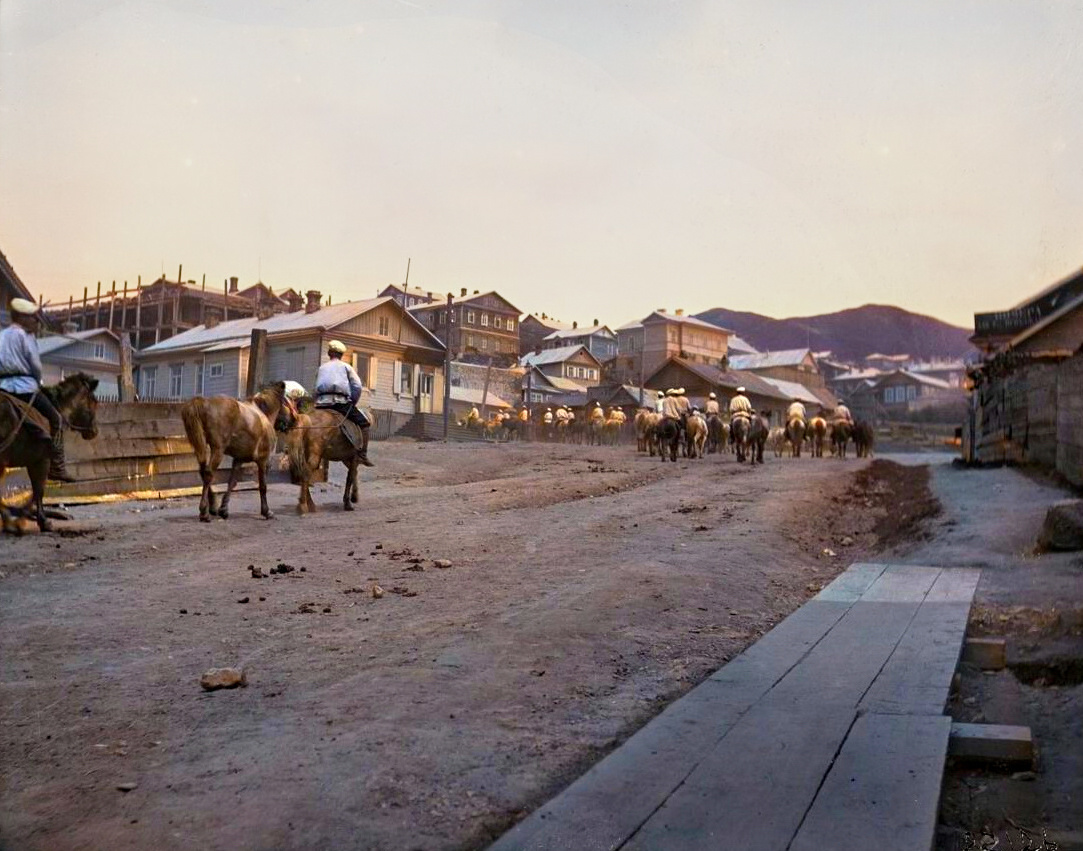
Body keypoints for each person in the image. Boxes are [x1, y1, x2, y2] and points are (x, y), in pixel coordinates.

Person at [0, 298, 75, 481]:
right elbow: (35, 365)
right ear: (21, 318)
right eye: (32, 318)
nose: (35, 321)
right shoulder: (27, 337)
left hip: (3, 388)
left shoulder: (2, 335)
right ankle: (57, 467)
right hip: (25, 388)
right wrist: (37, 381)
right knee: (56, 419)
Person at [314, 340, 374, 467]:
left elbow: (315, 387)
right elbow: (357, 386)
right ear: (341, 355)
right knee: (365, 423)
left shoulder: (321, 368)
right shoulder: (346, 367)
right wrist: (352, 401)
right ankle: (362, 455)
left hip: (321, 404)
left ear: (329, 353)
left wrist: (316, 403)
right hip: (339, 403)